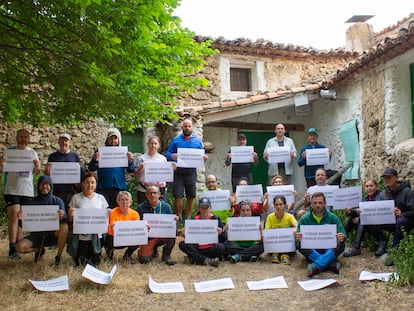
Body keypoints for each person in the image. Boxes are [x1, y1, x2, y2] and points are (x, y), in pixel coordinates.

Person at [0, 128, 41, 259]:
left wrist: (37, 166)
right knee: (14, 218)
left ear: (29, 139)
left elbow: (36, 172)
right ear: (17, 138)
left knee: (21, 219)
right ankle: (12, 248)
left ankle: (19, 246)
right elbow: (2, 170)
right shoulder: (9, 152)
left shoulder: (32, 153)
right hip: (11, 189)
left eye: (26, 137)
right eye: (21, 136)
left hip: (27, 190)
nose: (23, 139)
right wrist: (1, 164)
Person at [16, 175, 68, 265]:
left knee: (64, 227)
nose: (44, 186)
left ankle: (58, 256)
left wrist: (62, 216)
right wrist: (20, 219)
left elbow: (65, 220)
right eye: (42, 184)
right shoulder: (31, 202)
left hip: (53, 234)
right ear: (38, 186)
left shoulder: (57, 201)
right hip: (36, 236)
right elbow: (22, 225)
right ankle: (39, 250)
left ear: (51, 186)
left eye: (47, 184)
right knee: (20, 247)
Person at [366, 168, 414, 266]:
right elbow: (376, 208)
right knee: (368, 219)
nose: (386, 179)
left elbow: (413, 211)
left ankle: (393, 250)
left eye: (389, 177)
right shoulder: (384, 193)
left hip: (406, 222)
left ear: (396, 178)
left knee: (401, 221)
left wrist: (402, 213)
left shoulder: (407, 192)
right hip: (390, 221)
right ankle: (382, 241)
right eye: (385, 178)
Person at [295, 192, 346, 277]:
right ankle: (330, 263)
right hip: (312, 249)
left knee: (340, 244)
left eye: (320, 203)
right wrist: (298, 237)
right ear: (310, 204)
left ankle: (317, 266)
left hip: (329, 249)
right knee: (299, 244)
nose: (317, 205)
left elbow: (343, 234)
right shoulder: (305, 218)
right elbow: (298, 235)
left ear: (325, 203)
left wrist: (342, 237)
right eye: (315, 203)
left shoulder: (332, 217)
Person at [166, 118, 208, 220]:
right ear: (182, 127)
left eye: (189, 126)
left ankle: (189, 217)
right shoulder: (176, 140)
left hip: (191, 172)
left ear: (192, 127)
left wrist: (204, 158)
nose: (187, 128)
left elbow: (202, 155)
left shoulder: (197, 142)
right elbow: (168, 153)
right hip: (178, 172)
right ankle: (179, 216)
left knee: (191, 195)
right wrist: (172, 156)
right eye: (185, 126)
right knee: (178, 196)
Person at [67, 172, 109, 266]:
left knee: (96, 263)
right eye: (87, 182)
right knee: (81, 263)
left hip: (97, 236)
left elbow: (105, 218)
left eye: (93, 182)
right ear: (82, 184)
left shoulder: (101, 198)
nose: (90, 185)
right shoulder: (76, 198)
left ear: (96, 184)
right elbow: (70, 220)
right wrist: (70, 215)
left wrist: (108, 213)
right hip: (82, 236)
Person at [87, 127, 135, 208]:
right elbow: (91, 168)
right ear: (107, 139)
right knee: (104, 211)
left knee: (118, 211)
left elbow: (131, 170)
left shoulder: (123, 152)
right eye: (111, 138)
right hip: (103, 187)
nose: (113, 141)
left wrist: (130, 161)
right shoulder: (100, 151)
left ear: (119, 140)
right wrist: (95, 159)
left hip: (119, 187)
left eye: (115, 138)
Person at [137, 185, 178, 265]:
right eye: (150, 193)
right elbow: (138, 223)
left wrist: (175, 221)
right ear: (146, 195)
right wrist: (143, 225)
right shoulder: (140, 207)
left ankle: (166, 255)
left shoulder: (166, 207)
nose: (152, 195)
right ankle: (152, 250)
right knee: (144, 260)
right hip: (149, 236)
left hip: (163, 235)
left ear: (159, 194)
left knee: (173, 231)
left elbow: (172, 223)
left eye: (154, 193)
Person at [179, 197, 225, 266]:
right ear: (199, 208)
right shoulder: (193, 220)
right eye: (202, 208)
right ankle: (206, 260)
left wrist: (220, 233)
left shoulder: (216, 219)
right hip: (197, 247)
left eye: (206, 207)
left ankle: (195, 258)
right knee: (182, 244)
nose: (204, 210)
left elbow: (223, 238)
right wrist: (184, 234)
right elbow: (190, 239)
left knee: (221, 247)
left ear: (210, 208)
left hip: (210, 248)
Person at [45, 133, 82, 213]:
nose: (64, 143)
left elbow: (79, 173)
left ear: (70, 143)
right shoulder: (53, 156)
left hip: (71, 191)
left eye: (66, 141)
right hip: (56, 191)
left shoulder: (74, 156)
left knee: (70, 214)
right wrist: (47, 172)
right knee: (58, 214)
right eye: (62, 140)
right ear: (58, 142)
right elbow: (48, 174)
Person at [343, 179, 381, 257]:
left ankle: (356, 247)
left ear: (377, 187)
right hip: (367, 221)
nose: (369, 188)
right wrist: (350, 212)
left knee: (362, 219)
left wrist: (360, 216)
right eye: (367, 186)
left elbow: (374, 212)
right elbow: (360, 212)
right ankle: (340, 237)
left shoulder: (380, 196)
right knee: (352, 219)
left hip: (378, 222)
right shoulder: (365, 198)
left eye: (371, 186)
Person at [105, 191, 140, 263]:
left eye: (127, 200)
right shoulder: (113, 212)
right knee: (108, 240)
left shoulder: (135, 214)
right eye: (122, 200)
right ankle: (109, 257)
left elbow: (137, 230)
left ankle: (127, 256)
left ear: (131, 202)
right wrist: (113, 227)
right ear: (118, 202)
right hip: (115, 238)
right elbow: (109, 231)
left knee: (138, 239)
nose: (124, 202)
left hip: (128, 237)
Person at [134, 136, 168, 204]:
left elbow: (166, 174)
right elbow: (136, 176)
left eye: (155, 144)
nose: (153, 146)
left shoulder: (163, 159)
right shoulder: (141, 158)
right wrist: (140, 168)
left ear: (159, 145)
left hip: (159, 190)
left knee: (159, 211)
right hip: (144, 190)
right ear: (148, 144)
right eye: (151, 143)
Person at [265, 195, 297, 265]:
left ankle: (285, 255)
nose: (278, 207)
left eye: (280, 204)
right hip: (275, 242)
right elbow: (266, 232)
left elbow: (297, 227)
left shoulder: (290, 216)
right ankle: (275, 254)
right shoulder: (270, 217)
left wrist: (295, 231)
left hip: (286, 243)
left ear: (285, 205)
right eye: (276, 205)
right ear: (273, 206)